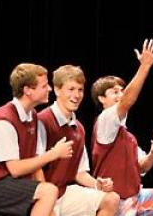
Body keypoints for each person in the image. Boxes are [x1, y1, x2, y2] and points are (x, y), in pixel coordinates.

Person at [91, 39, 153, 216]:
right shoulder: (105, 120)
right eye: (114, 92)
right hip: (116, 200)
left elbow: (142, 166)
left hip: (135, 196)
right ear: (101, 99)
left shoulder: (128, 136)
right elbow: (127, 101)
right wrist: (144, 67)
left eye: (122, 90)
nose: (120, 95)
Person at [0, 63, 73, 216]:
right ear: (28, 90)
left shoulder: (33, 117)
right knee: (49, 191)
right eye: (44, 86)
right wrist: (54, 154)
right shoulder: (3, 121)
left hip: (11, 183)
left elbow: (36, 164)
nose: (50, 89)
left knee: (49, 198)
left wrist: (49, 203)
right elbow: (15, 169)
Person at [38, 64, 120, 216]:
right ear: (57, 90)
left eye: (80, 90)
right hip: (42, 195)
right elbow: (34, 170)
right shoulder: (42, 121)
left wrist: (97, 184)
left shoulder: (79, 128)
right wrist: (47, 205)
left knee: (111, 199)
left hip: (64, 193)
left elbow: (79, 172)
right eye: (71, 89)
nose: (76, 95)